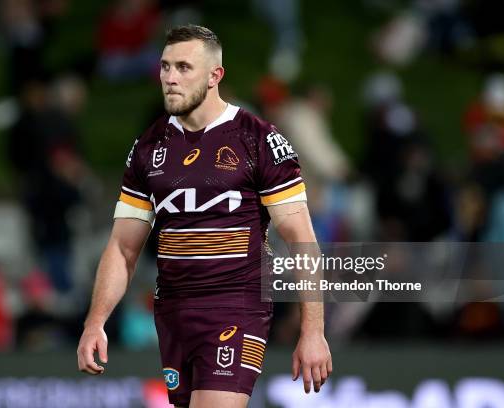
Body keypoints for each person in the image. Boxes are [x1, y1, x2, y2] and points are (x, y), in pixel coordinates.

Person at [77, 25, 332, 408]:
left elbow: (302, 239)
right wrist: (95, 322)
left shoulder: (258, 139)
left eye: (183, 67)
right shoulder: (149, 148)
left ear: (215, 76)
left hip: (235, 306)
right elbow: (122, 246)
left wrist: (313, 330)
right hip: (174, 314)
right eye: (165, 67)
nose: (170, 78)